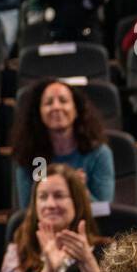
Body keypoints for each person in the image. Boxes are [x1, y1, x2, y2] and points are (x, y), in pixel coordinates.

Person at [0, 164, 103, 272]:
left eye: (59, 196)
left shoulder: (106, 250)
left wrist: (87, 261)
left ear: (76, 202)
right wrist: (47, 271)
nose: (50, 205)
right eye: (42, 197)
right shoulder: (18, 250)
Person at [11, 79, 114, 208]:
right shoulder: (29, 154)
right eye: (48, 103)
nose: (56, 107)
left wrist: (79, 191)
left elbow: (104, 210)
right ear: (39, 112)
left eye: (63, 101)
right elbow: (27, 211)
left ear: (76, 110)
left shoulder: (99, 153)